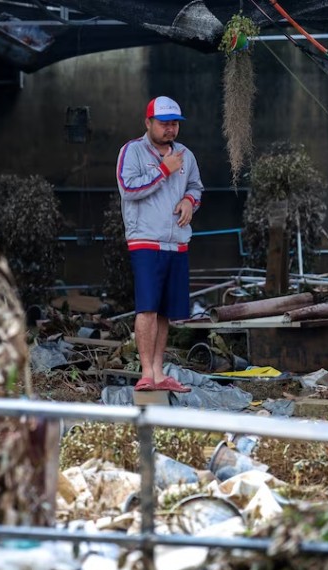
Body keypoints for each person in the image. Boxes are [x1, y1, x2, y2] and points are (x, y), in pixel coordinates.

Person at [116, 96, 204, 392]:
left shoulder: (185, 155)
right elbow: (128, 189)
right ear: (148, 123)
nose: (170, 129)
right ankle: (146, 372)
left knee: (166, 310)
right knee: (148, 307)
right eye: (164, 123)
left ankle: (158, 371)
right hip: (145, 240)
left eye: (174, 124)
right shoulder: (132, 151)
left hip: (177, 243)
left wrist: (190, 202)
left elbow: (196, 187)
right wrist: (163, 170)